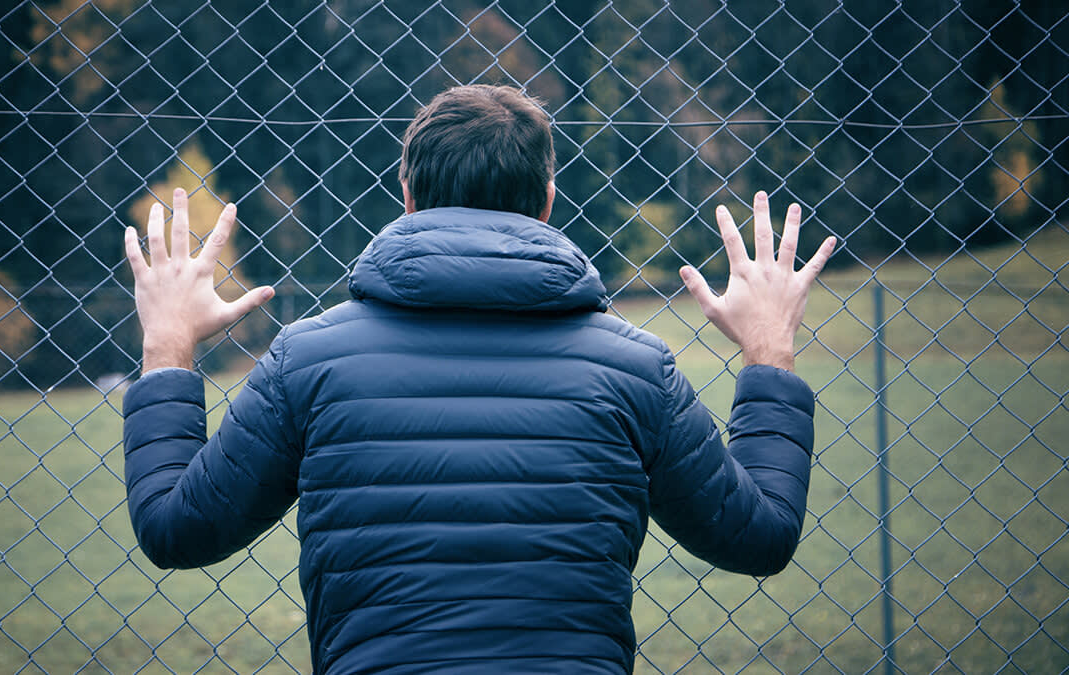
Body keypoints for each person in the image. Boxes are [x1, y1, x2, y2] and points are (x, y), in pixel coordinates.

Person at [121, 84, 837, 674]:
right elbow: (760, 536)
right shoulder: (635, 367)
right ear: (548, 200)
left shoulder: (306, 359)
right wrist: (769, 346)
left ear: (406, 196)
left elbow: (175, 527)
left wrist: (168, 339)